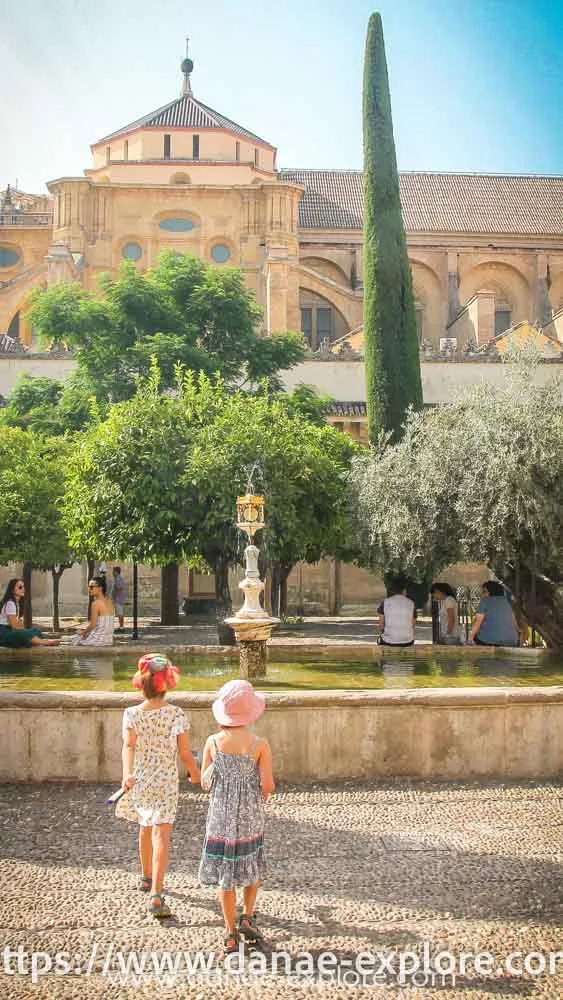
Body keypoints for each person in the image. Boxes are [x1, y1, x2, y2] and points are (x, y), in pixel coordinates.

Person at [116, 653, 200, 917]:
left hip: (140, 778)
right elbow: (185, 753)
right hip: (165, 780)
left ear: (142, 684)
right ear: (168, 683)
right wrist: (195, 773)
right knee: (161, 833)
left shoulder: (130, 714)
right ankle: (156, 893)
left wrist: (127, 774)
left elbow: (128, 746)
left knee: (145, 827)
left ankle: (145, 877)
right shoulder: (176, 713)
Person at [199, 679, 275, 955]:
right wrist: (260, 795)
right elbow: (268, 785)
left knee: (225, 875)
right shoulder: (259, 744)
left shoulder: (213, 743)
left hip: (220, 818)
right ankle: (248, 915)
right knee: (252, 863)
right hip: (250, 817)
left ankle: (230, 933)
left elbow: (204, 782)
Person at [0, 578, 60, 647]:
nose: (23, 589)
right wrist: (24, 630)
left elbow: (18, 624)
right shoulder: (10, 603)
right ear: (12, 590)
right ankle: (46, 643)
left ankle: (35, 640)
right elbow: (14, 626)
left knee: (35, 631)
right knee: (25, 634)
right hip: (4, 633)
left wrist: (24, 629)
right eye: (20, 587)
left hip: (11, 631)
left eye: (23, 587)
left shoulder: (17, 604)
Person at [468, 580, 519, 647]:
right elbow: (514, 623)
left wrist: (469, 639)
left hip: (490, 641)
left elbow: (477, 622)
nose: (481, 594)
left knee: (475, 638)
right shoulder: (507, 601)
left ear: (491, 591)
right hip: (512, 641)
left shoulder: (485, 601)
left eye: (484, 592)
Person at [71, 576, 115, 646]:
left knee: (75, 640)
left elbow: (93, 625)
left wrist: (83, 632)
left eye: (91, 587)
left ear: (100, 588)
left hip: (98, 640)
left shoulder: (96, 603)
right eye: (88, 587)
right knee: (82, 636)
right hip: (108, 640)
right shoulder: (109, 601)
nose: (89, 589)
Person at [377, 577, 416, 647]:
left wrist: (386, 633)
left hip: (388, 641)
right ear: (404, 590)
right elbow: (413, 625)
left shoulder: (385, 602)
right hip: (408, 641)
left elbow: (381, 625)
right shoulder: (411, 603)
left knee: (379, 640)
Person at [111, 566, 128, 631]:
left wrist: (115, 597)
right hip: (118, 599)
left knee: (120, 613)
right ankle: (121, 626)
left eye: (113, 571)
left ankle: (121, 627)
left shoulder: (118, 578)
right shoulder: (118, 578)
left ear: (116, 572)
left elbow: (119, 588)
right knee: (119, 613)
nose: (112, 573)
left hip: (118, 599)